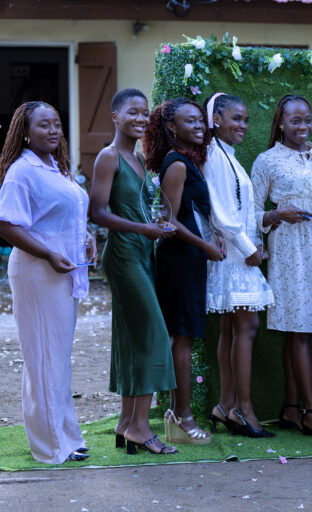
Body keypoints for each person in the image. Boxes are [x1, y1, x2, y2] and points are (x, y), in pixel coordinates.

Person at [0, 101, 91, 463]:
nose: (53, 130)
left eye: (57, 124)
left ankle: (68, 436)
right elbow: (4, 223)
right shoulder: (22, 171)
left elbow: (63, 216)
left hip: (62, 272)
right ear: (26, 133)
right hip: (37, 273)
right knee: (44, 357)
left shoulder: (56, 168)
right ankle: (50, 447)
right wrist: (48, 253)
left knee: (57, 357)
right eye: (44, 125)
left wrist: (85, 238)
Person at [88, 88, 178, 455]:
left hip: (143, 251)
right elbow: (96, 213)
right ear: (115, 117)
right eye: (132, 112)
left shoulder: (139, 158)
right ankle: (141, 426)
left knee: (132, 336)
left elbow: (141, 207)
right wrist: (144, 228)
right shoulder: (108, 157)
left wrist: (154, 226)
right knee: (154, 335)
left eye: (144, 113)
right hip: (123, 254)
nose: (140, 118)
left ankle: (126, 423)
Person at [251, 94, 312, 440]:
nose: (303, 126)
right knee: (300, 330)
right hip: (290, 253)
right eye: (295, 120)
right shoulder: (267, 160)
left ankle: (291, 409)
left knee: (298, 331)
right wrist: (277, 214)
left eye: (307, 120)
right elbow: (250, 211)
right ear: (280, 123)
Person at [144, 98, 223, 444]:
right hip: (179, 258)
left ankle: (176, 414)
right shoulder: (176, 164)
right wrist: (205, 246)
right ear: (172, 128)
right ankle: (182, 417)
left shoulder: (188, 160)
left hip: (190, 257)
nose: (199, 125)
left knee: (183, 336)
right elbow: (169, 221)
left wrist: (212, 237)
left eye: (200, 120)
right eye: (189, 121)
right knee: (182, 338)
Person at [203, 93, 275, 437]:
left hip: (237, 252)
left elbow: (240, 211)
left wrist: (257, 239)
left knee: (232, 330)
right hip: (234, 255)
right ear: (215, 119)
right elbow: (221, 213)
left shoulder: (227, 155)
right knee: (246, 327)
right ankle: (243, 410)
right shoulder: (214, 155)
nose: (243, 125)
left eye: (245, 119)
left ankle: (226, 406)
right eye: (236, 118)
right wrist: (249, 250)